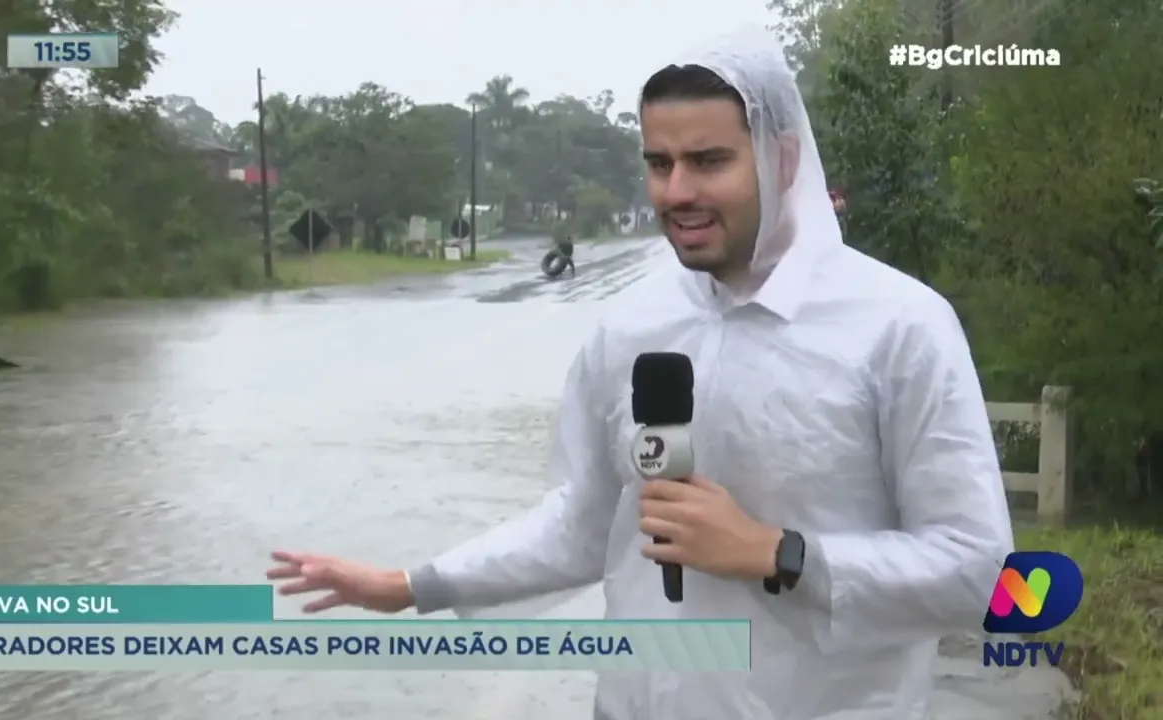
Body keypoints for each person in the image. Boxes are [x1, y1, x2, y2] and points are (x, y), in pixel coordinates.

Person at [267, 23, 1013, 719]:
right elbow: (586, 525)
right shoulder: (630, 328)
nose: (678, 192)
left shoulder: (898, 327)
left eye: (709, 161)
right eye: (660, 164)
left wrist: (780, 554)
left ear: (782, 159)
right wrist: (409, 586)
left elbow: (978, 572)